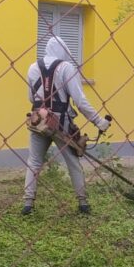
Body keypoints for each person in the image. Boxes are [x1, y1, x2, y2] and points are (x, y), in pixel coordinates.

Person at [22, 36, 109, 216]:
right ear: (62, 50)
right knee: (73, 162)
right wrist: (98, 121)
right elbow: (80, 100)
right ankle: (83, 203)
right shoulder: (66, 67)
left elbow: (31, 98)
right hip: (60, 122)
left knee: (34, 162)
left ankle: (28, 204)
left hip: (38, 120)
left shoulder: (32, 67)